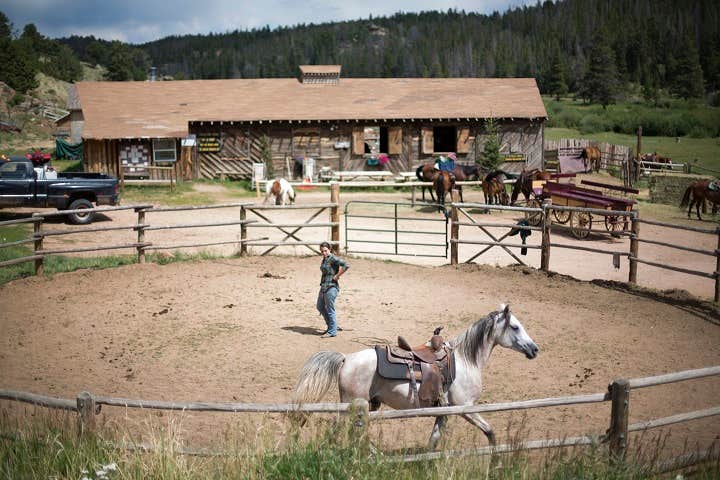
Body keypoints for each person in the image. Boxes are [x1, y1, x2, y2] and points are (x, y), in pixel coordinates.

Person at [317, 241, 349, 338]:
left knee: (330, 309)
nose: (324, 253)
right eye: (322, 251)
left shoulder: (333, 258)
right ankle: (332, 326)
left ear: (329, 249)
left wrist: (337, 275)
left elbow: (346, 265)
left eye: (325, 251)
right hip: (323, 286)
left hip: (331, 287)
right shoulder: (324, 259)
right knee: (320, 306)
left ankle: (332, 331)